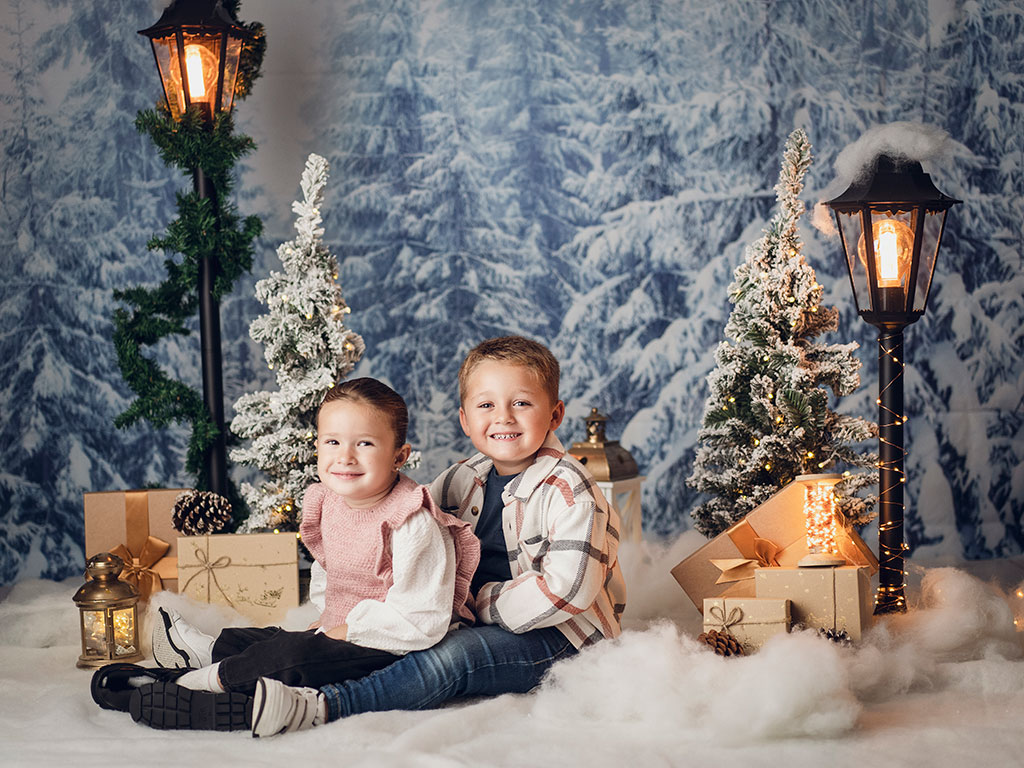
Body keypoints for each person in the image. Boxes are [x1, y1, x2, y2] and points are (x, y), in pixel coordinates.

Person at [249, 336, 626, 737]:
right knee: (399, 633)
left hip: (562, 638)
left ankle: (326, 705)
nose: (503, 418)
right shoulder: (461, 478)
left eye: (521, 403)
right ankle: (256, 664)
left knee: (453, 657)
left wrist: (472, 605)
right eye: (486, 405)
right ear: (465, 420)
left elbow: (566, 592)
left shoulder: (570, 489)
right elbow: (406, 521)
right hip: (468, 618)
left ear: (554, 415)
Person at [95, 378, 480, 731]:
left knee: (291, 654)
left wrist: (343, 630)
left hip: (392, 646)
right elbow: (329, 569)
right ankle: (208, 651)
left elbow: (421, 616)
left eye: (364, 443)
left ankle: (186, 684)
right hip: (342, 630)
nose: (345, 457)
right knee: (270, 637)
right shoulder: (330, 501)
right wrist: (326, 620)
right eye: (332, 442)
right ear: (317, 446)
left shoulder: (411, 521)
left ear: (399, 456)